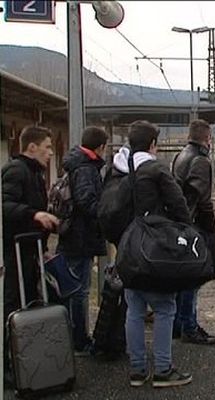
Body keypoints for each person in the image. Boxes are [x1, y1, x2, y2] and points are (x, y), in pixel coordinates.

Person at [110, 120, 192, 388]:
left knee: (134, 308)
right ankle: (163, 369)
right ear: (153, 144)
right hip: (154, 246)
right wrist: (183, 231)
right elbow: (178, 205)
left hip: (127, 246)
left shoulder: (117, 168)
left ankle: (136, 370)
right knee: (165, 307)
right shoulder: (156, 169)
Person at [2, 125, 59, 384]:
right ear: (32, 147)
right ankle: (7, 364)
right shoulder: (16, 170)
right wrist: (34, 214)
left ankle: (28, 360)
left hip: (31, 249)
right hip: (15, 250)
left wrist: (44, 248)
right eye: (47, 147)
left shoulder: (34, 173)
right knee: (13, 305)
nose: (50, 153)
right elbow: (4, 205)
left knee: (31, 303)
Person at [57, 126, 108, 356]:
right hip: (80, 237)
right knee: (80, 291)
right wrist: (106, 211)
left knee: (73, 289)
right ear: (100, 147)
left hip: (73, 236)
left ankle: (72, 337)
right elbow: (87, 202)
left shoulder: (76, 164)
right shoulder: (86, 169)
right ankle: (79, 340)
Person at [171, 119, 215, 345]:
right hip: (192, 225)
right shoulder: (200, 161)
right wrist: (210, 229)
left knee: (182, 279)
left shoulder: (180, 156)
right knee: (193, 278)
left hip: (179, 223)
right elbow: (203, 200)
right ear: (207, 138)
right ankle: (189, 326)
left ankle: (178, 324)